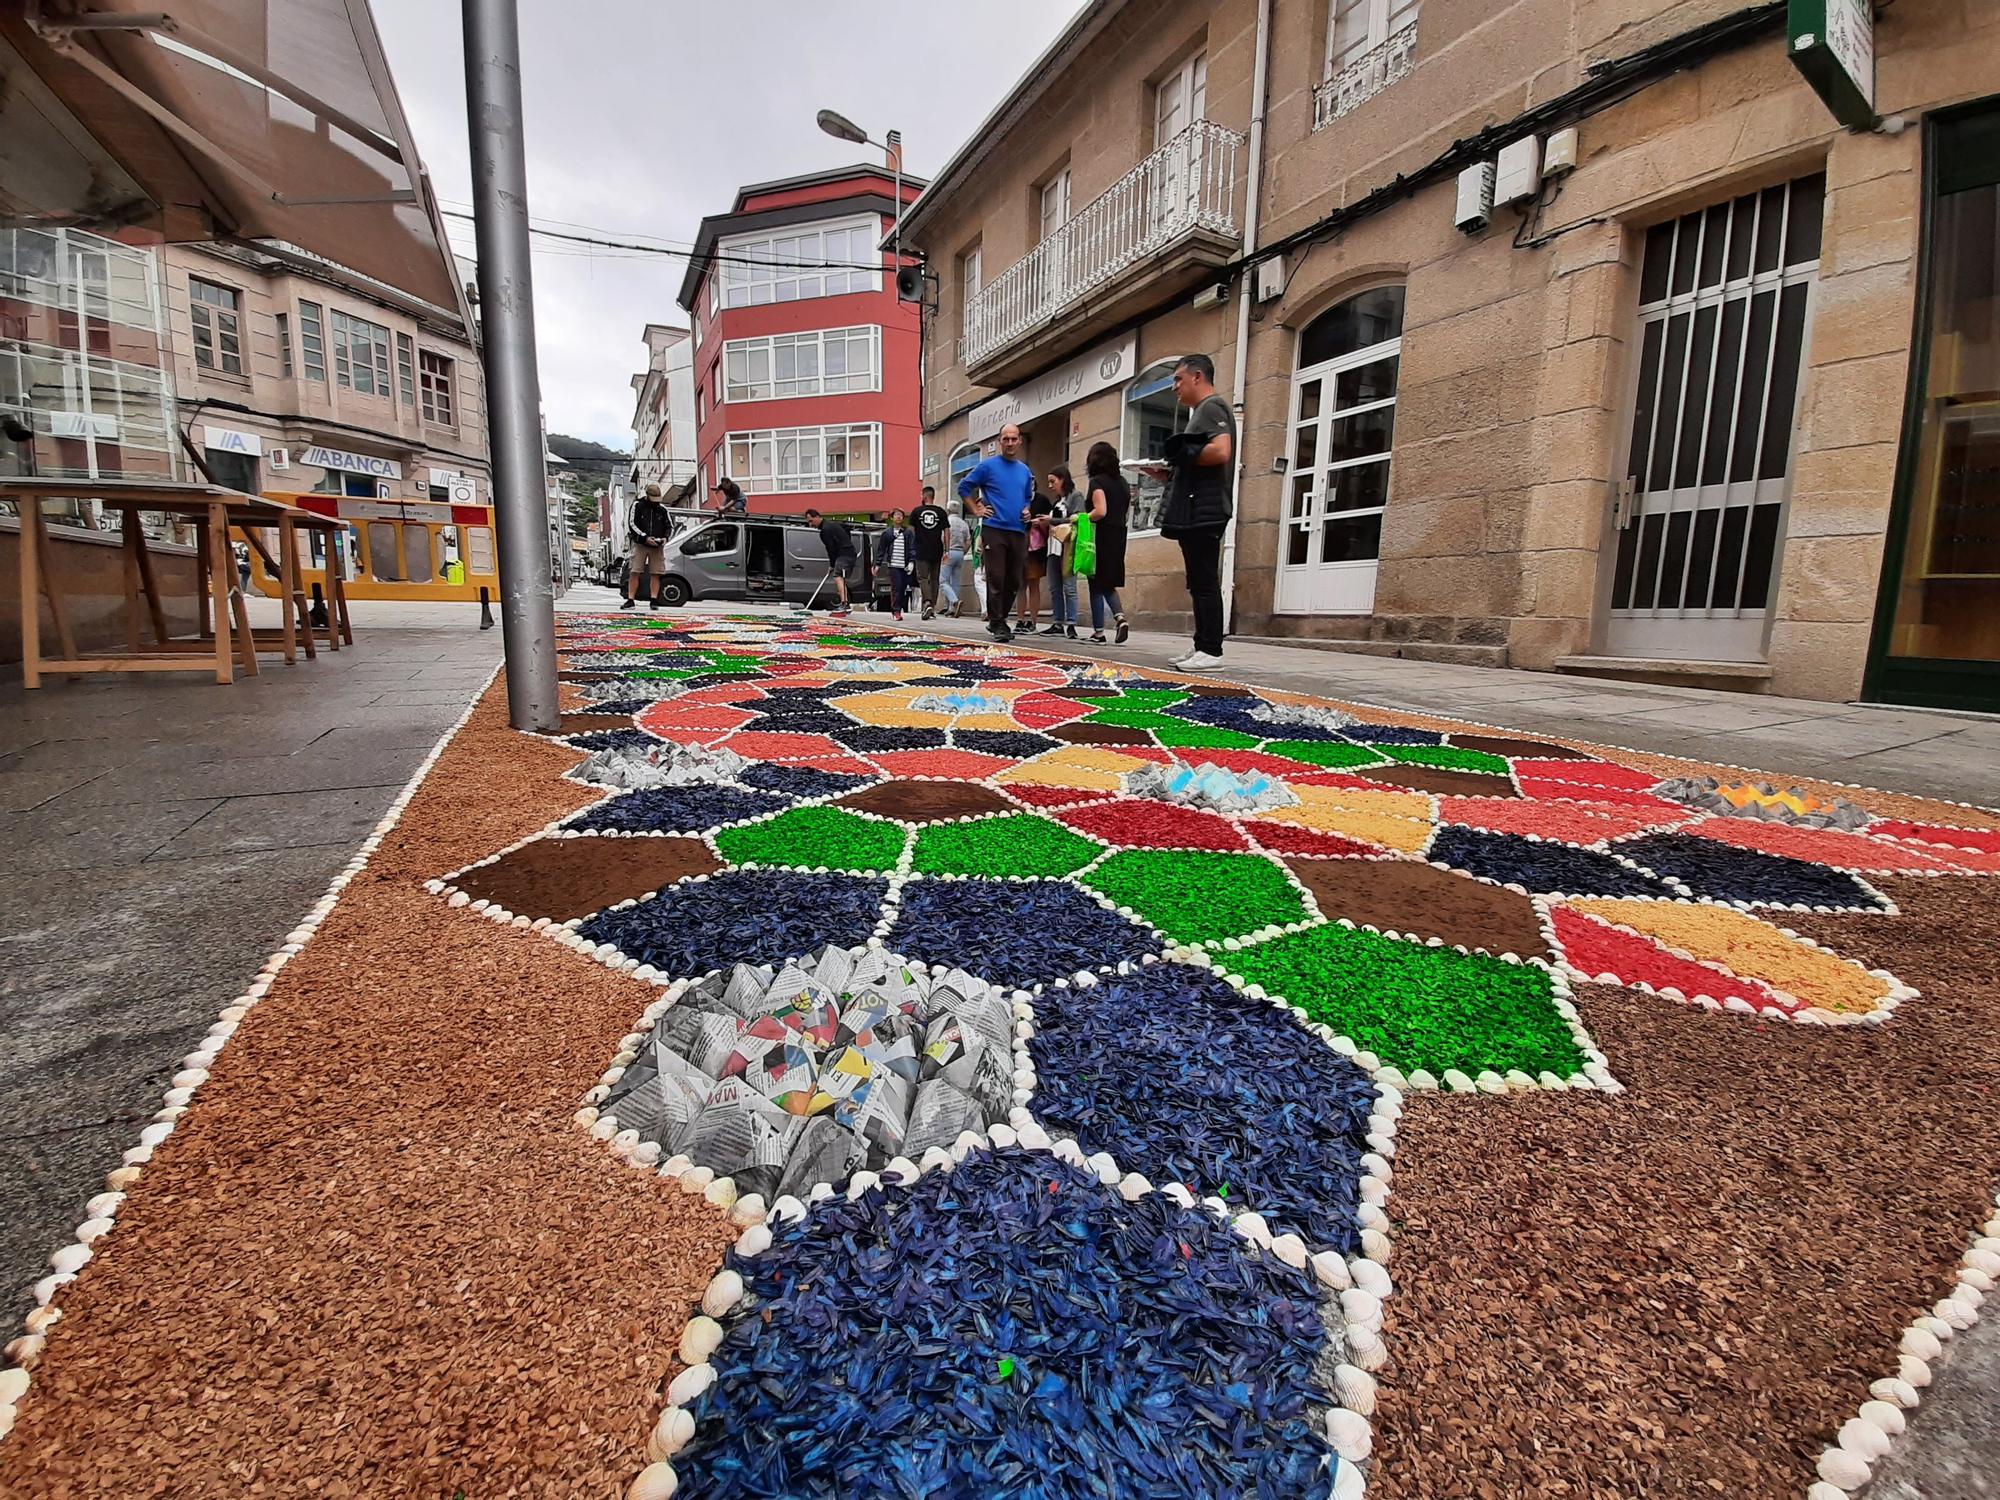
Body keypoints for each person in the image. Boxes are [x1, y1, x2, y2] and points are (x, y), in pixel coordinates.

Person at [1145, 353, 1235, 670]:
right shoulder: (1200, 412)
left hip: (1206, 508)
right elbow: (1199, 461)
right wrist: (1167, 471)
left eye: (1178, 379)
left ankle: (1211, 650)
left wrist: (1183, 453)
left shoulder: (1212, 407)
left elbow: (1220, 451)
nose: (1174, 387)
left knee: (1205, 580)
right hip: (1198, 506)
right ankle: (1202, 645)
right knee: (1198, 580)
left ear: (1197, 376)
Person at [956, 423, 1035, 642]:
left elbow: (1028, 496)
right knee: (996, 576)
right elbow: (963, 487)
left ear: (1019, 441)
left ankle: (998, 619)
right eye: (1006, 439)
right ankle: (998, 621)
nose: (1010, 443)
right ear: (1000, 441)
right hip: (994, 529)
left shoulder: (1024, 470)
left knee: (1014, 579)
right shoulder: (987, 466)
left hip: (1018, 530)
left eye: (1014, 439)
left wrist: (1027, 510)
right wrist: (976, 509)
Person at [1082, 442, 1132, 645]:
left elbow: (1100, 511)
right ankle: (1114, 621)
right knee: (1108, 581)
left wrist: (1083, 517)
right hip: (1119, 534)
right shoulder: (1124, 483)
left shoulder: (1097, 482)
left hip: (1100, 536)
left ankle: (1103, 629)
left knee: (1096, 582)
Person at [1042, 465, 1080, 637]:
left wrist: (1052, 520)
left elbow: (1079, 519)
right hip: (1053, 547)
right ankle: (1058, 622)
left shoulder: (1075, 497)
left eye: (1053, 481)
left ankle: (1071, 623)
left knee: (1069, 587)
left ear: (1063, 479)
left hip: (1067, 546)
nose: (1050, 486)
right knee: (1054, 587)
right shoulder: (1057, 501)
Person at [622, 483, 673, 610]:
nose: (656, 503)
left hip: (657, 545)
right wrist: (644, 538)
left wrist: (665, 537)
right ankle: (630, 599)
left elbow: (669, 525)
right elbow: (632, 524)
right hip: (640, 543)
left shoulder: (662, 509)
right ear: (647, 496)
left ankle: (654, 599)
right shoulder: (637, 506)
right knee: (635, 570)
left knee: (656, 572)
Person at [802, 507, 857, 616]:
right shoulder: (832, 524)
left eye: (811, 521)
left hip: (844, 555)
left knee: (838, 576)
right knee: (841, 577)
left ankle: (844, 604)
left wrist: (832, 564)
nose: (810, 524)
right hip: (848, 552)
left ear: (817, 517)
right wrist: (846, 542)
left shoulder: (825, 531)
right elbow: (847, 528)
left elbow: (831, 549)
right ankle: (845, 603)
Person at [910, 486, 948, 620]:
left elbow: (913, 530)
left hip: (921, 549)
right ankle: (932, 606)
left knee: (923, 577)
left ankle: (927, 603)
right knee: (934, 579)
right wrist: (946, 550)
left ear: (924, 496)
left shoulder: (916, 512)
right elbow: (947, 531)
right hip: (937, 548)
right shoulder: (941, 512)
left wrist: (914, 545)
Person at [874, 508, 913, 621]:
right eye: (896, 515)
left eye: (901, 515)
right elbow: (881, 549)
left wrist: (911, 562)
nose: (898, 517)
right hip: (894, 565)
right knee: (896, 587)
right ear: (892, 518)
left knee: (903, 589)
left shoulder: (908, 533)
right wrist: (877, 565)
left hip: (904, 565)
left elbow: (912, 548)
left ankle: (899, 609)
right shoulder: (887, 533)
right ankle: (896, 611)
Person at [1021, 492, 1052, 632]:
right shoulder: (1016, 497)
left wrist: (1040, 524)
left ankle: (1033, 621)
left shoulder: (1041, 500)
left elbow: (1049, 524)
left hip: (1036, 547)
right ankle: (1020, 620)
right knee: (1020, 585)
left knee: (1034, 584)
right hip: (1019, 544)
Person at [943, 502, 970, 617]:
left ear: (948, 510)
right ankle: (952, 609)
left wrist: (944, 552)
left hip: (949, 552)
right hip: (960, 553)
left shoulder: (946, 522)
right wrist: (964, 551)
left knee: (942, 580)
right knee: (955, 581)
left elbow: (943, 538)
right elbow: (968, 540)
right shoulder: (964, 523)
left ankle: (954, 602)